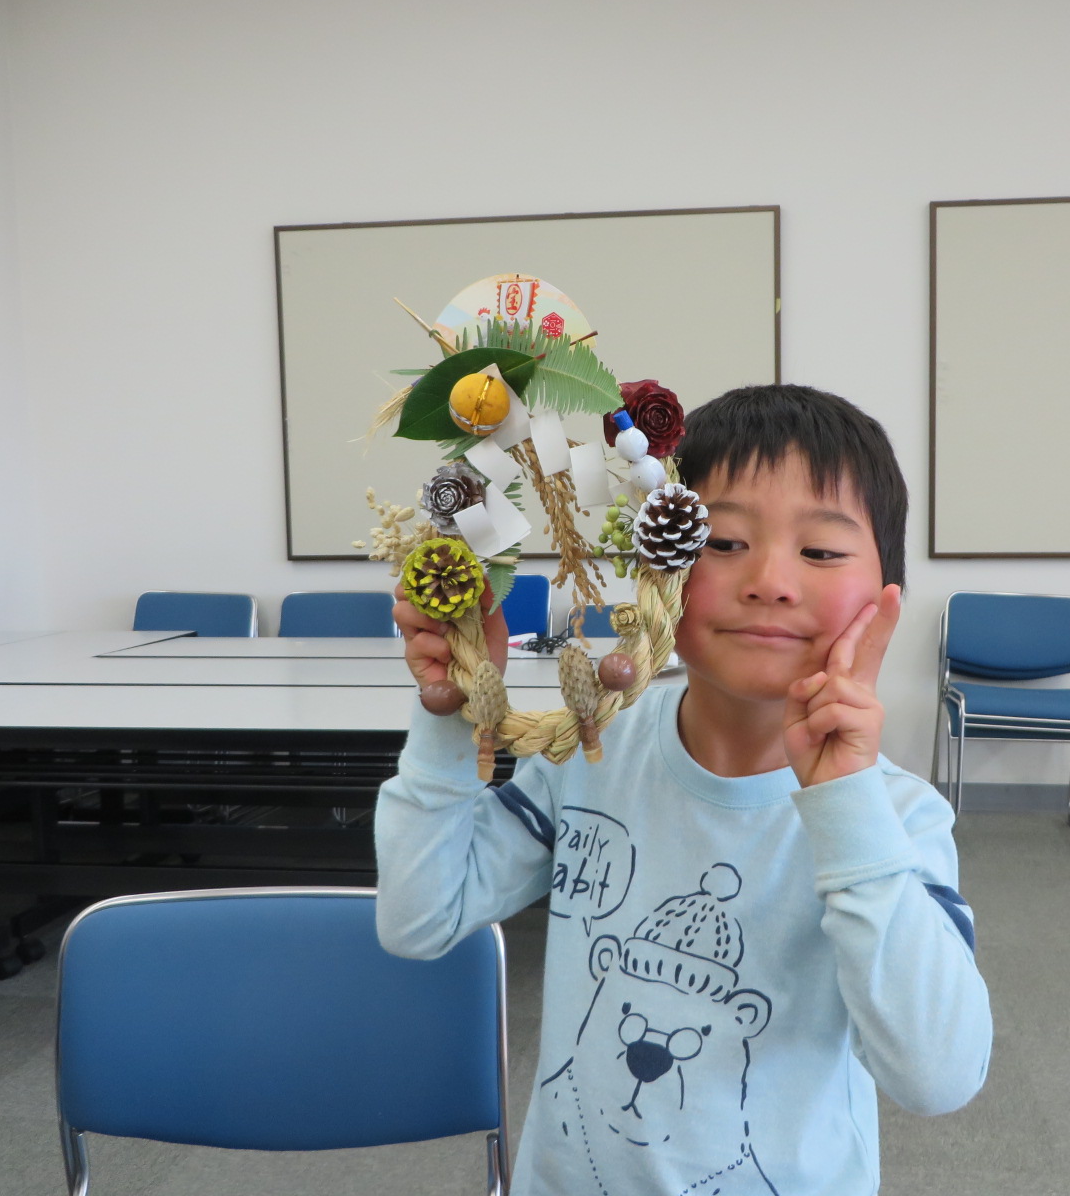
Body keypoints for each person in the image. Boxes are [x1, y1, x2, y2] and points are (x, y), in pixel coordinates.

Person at [376, 383, 992, 1196]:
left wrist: (845, 800)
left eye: (820, 551)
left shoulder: (895, 819)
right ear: (656, 567)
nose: (770, 580)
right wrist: (455, 709)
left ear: (884, 604)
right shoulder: (594, 749)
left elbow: (938, 1077)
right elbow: (419, 920)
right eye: (724, 541)